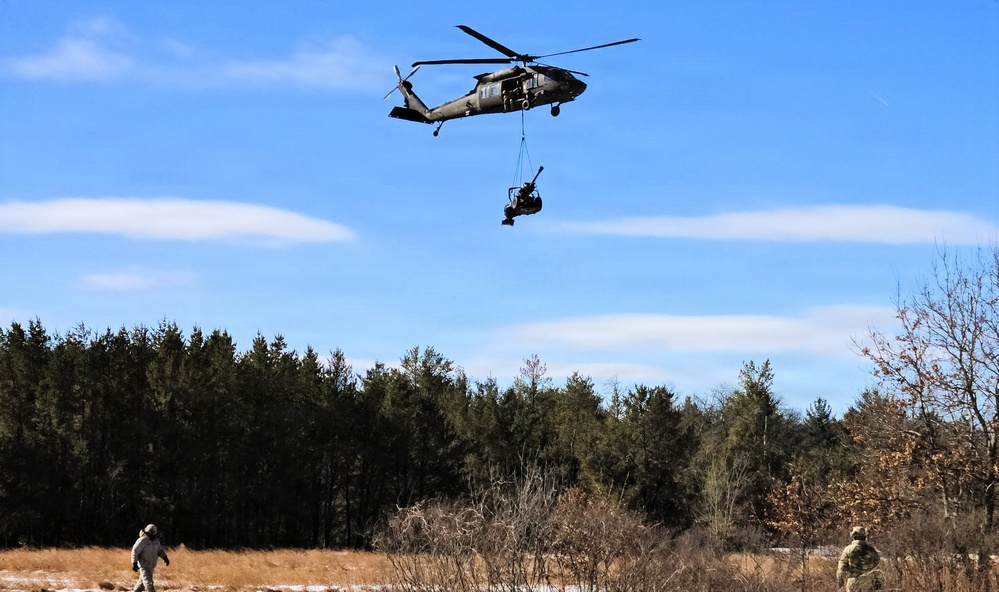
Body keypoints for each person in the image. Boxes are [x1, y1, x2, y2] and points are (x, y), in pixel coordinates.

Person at [837, 526, 882, 591]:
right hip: (868, 582)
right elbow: (877, 567)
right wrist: (877, 580)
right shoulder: (871, 550)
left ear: (853, 536)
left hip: (853, 581)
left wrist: (840, 580)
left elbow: (842, 567)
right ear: (864, 537)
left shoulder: (848, 549)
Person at [131, 523, 170, 592]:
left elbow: (160, 550)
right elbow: (135, 551)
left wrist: (165, 558)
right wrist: (134, 563)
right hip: (144, 566)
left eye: (153, 533)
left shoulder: (156, 541)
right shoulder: (142, 540)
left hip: (151, 566)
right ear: (147, 532)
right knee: (149, 584)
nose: (152, 534)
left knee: (141, 585)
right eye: (150, 533)